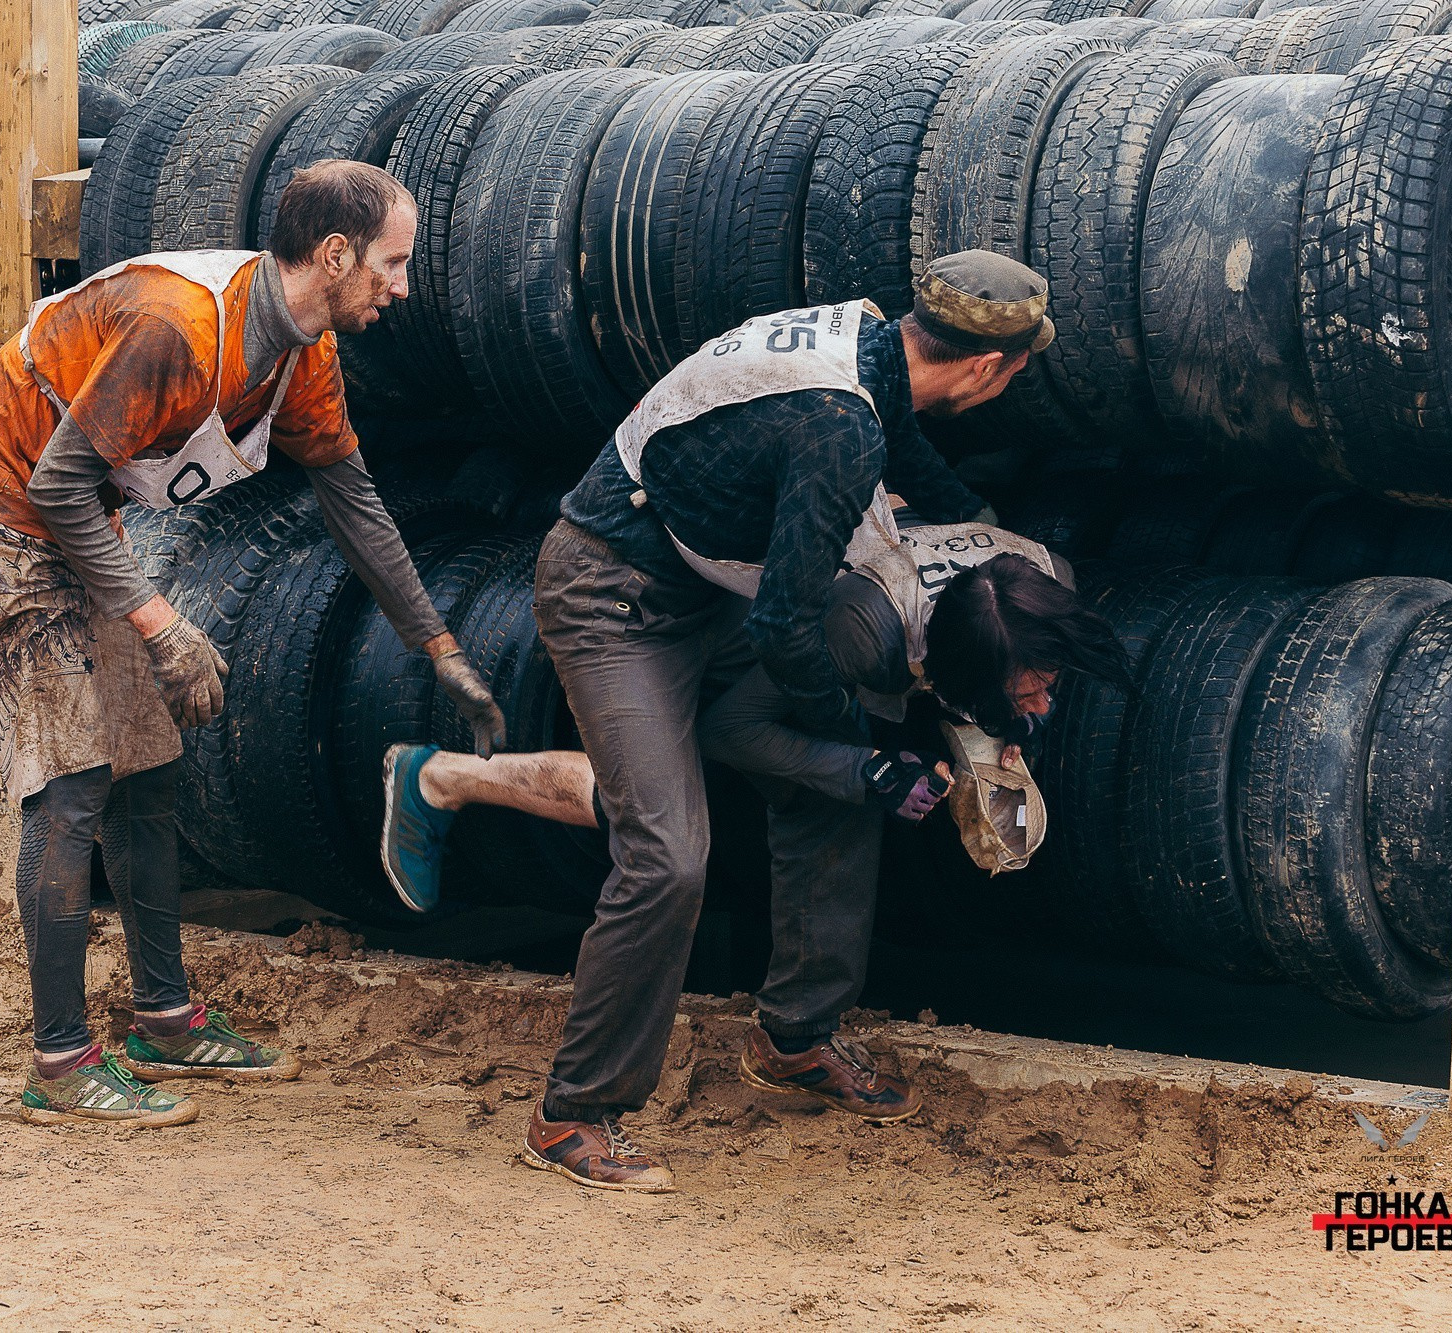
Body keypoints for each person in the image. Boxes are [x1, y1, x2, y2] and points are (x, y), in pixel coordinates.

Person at [399, 251, 1070, 1190]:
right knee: (669, 851)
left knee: (833, 777)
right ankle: (572, 1113)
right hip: (614, 593)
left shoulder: (868, 342)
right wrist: (867, 744)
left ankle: (796, 1034)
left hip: (702, 584)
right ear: (989, 369)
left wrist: (987, 559)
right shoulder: (841, 430)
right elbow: (789, 631)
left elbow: (915, 469)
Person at [0, 160, 506, 1128]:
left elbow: (355, 504)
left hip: (78, 518)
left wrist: (437, 644)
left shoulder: (299, 351)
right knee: (69, 787)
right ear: (333, 255)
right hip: (0, 508)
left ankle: (162, 1016)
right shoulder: (178, 327)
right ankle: (61, 1064)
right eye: (390, 264)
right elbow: (59, 484)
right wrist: (161, 624)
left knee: (146, 772)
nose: (400, 286)